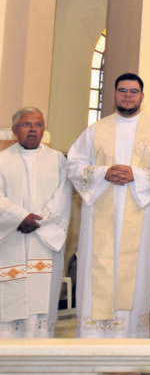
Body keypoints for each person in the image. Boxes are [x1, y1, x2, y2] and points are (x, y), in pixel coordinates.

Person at [67, 72, 150, 338]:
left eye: (133, 91)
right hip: (99, 215)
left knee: (134, 272)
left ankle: (129, 337)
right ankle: (93, 338)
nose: (128, 96)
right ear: (115, 94)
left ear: (142, 96)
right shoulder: (96, 130)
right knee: (98, 268)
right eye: (123, 91)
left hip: (139, 214)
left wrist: (135, 175)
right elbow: (74, 165)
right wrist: (103, 173)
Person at [0, 108, 72, 337]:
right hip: (11, 237)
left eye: (38, 125)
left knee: (42, 297)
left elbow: (63, 195)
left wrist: (39, 220)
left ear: (43, 129)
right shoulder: (2, 159)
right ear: (14, 130)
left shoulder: (58, 160)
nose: (32, 130)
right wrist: (19, 217)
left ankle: (40, 346)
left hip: (44, 240)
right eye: (26, 125)